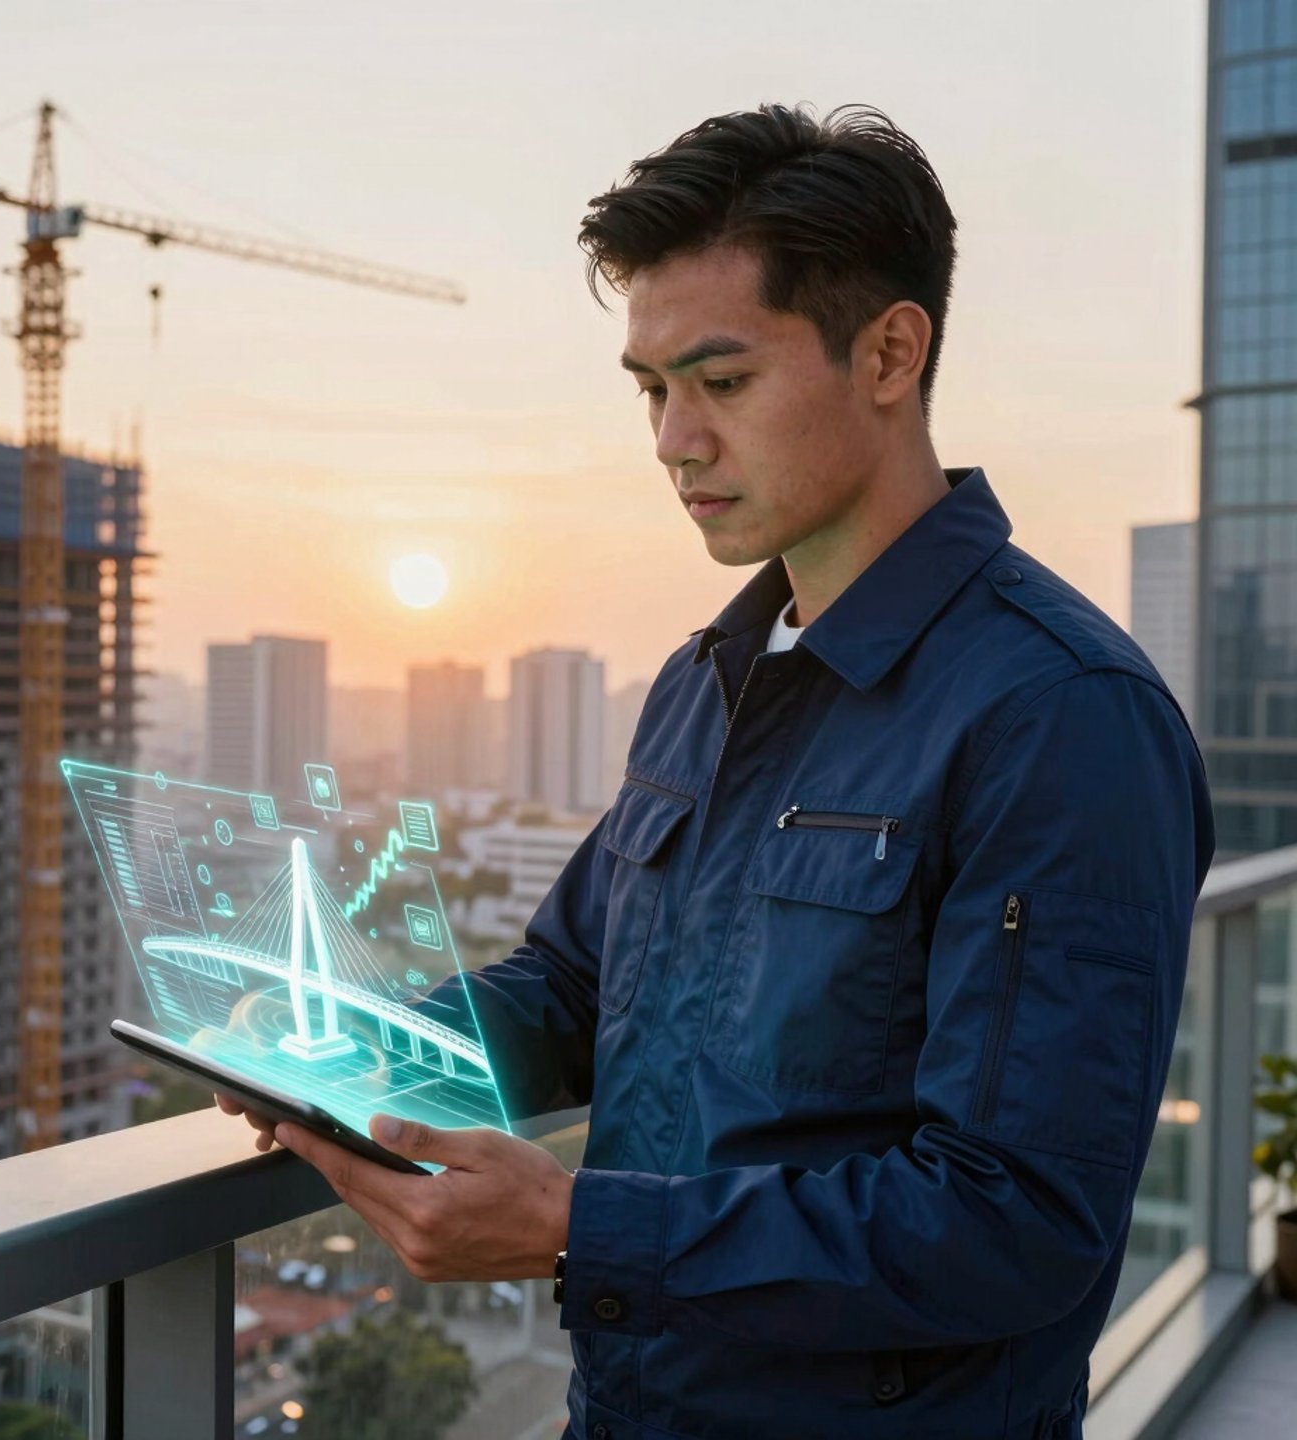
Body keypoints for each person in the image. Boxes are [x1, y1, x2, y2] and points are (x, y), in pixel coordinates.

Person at [219, 103, 1215, 1440]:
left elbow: (1015, 1219)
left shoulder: (1058, 718)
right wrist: (350, 1046)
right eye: (650, 387)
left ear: (890, 353)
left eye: (722, 380)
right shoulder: (705, 679)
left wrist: (582, 1227)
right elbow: (577, 986)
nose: (672, 439)